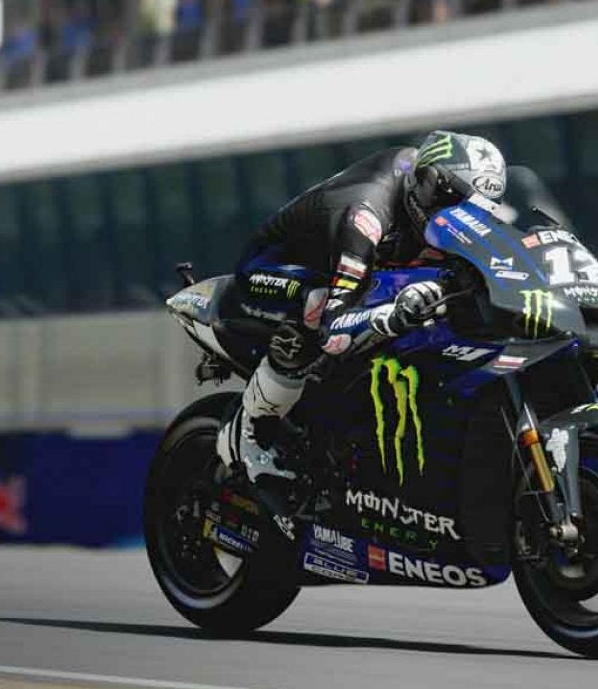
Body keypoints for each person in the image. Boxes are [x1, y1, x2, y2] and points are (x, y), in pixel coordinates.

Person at [216, 130, 510, 485]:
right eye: (447, 201)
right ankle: (249, 428)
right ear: (424, 181)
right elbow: (334, 328)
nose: (455, 217)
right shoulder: (364, 216)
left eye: (473, 210)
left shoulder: (430, 198)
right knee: (315, 306)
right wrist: (390, 316)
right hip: (275, 269)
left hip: (359, 265)